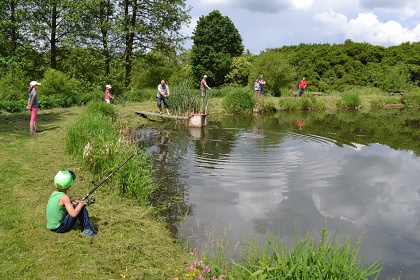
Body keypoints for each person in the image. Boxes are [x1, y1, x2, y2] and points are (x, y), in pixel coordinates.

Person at [46, 170, 96, 236]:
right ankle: (87, 230)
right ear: (69, 185)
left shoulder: (54, 194)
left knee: (77, 205)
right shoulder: (65, 197)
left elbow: (60, 203)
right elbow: (73, 214)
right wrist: (81, 204)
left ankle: (88, 227)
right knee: (80, 207)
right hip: (60, 228)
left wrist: (71, 201)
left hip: (52, 226)